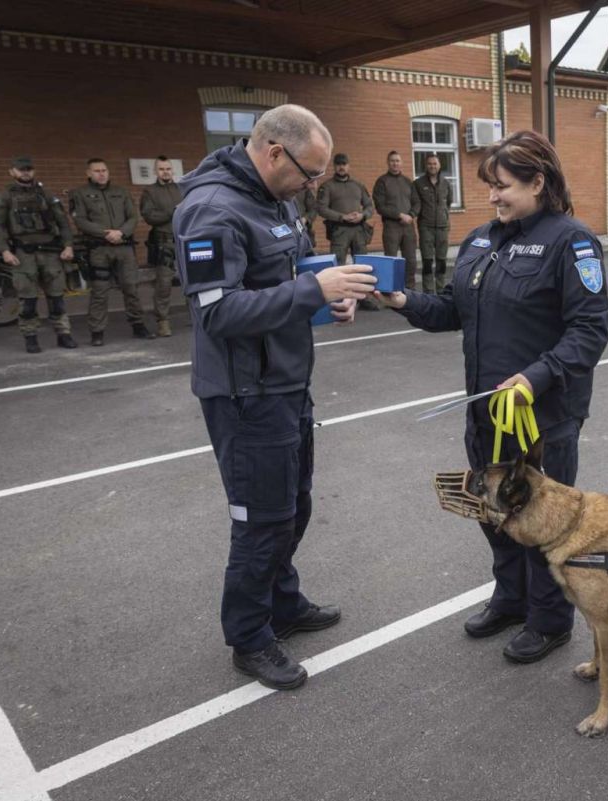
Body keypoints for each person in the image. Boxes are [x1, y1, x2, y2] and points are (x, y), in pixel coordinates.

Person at [381, 130, 608, 664]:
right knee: (492, 510)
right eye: (489, 187)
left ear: (538, 182)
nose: (491, 197)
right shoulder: (483, 239)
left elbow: (589, 331)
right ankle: (510, 599)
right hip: (485, 410)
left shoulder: (572, 242)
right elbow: (450, 310)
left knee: (541, 520)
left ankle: (550, 620)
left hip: (542, 418)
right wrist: (399, 299)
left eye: (502, 186)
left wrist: (535, 377)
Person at [173, 104, 377, 690]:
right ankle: (250, 636)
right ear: (272, 153)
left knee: (294, 505)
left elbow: (280, 283)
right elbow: (217, 313)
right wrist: (312, 288)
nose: (314, 186)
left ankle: (282, 603)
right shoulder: (210, 210)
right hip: (245, 394)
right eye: (308, 173)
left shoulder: (276, 199)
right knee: (261, 519)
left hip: (286, 381)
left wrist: (325, 298)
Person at [0, 156, 78, 352]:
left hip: (50, 252)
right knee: (28, 300)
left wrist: (68, 245)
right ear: (12, 172)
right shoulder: (6, 196)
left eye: (28, 169)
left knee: (57, 298)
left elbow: (62, 222)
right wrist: (4, 251)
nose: (25, 172)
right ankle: (31, 337)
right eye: (21, 169)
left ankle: (64, 334)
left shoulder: (45, 193)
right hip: (23, 254)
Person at [69, 158, 154, 345]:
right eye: (97, 171)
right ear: (89, 174)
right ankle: (97, 332)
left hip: (124, 247)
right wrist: (105, 233)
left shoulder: (121, 192)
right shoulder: (80, 194)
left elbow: (133, 217)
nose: (101, 173)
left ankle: (138, 325)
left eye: (104, 170)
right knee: (100, 292)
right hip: (99, 249)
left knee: (131, 288)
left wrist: (121, 232)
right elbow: (80, 220)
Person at [318, 153, 375, 308]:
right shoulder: (327, 186)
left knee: (362, 265)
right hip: (340, 231)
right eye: (338, 164)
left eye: (344, 164)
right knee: (339, 266)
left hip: (358, 230)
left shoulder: (358, 185)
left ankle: (364, 298)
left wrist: (363, 215)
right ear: (334, 166)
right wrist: (342, 217)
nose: (341, 167)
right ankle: (340, 299)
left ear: (348, 165)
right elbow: (321, 209)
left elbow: (370, 206)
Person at [139, 155, 184, 337]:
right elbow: (150, 216)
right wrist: (173, 212)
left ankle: (199, 317)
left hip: (183, 240)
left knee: (193, 280)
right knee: (163, 285)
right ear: (155, 171)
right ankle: (162, 321)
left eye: (168, 169)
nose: (165, 172)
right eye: (161, 169)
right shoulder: (149, 192)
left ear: (172, 170)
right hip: (163, 243)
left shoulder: (182, 189)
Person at [373, 150, 420, 290]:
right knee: (391, 260)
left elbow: (416, 202)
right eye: (392, 161)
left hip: (408, 226)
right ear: (388, 163)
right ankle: (390, 290)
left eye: (397, 161)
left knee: (411, 260)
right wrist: (399, 215)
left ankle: (410, 290)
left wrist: (411, 215)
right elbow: (380, 206)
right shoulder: (382, 181)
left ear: (401, 163)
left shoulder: (408, 182)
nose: (395, 163)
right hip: (391, 226)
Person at [412, 153, 452, 294]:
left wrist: (444, 218)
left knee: (441, 262)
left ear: (439, 165)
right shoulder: (418, 183)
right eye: (430, 164)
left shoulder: (446, 183)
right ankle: (428, 291)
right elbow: (416, 204)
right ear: (426, 166)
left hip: (442, 227)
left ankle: (441, 290)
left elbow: (448, 203)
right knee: (427, 262)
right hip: (426, 228)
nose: (432, 166)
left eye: (435, 164)